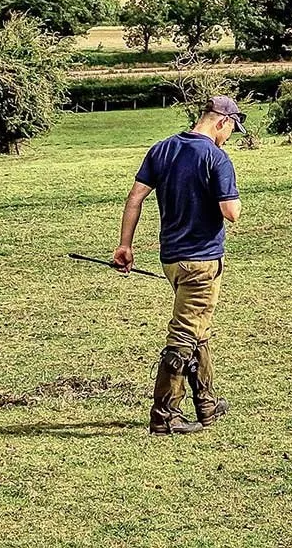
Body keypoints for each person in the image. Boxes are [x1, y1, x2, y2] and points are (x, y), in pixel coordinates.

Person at [112, 94, 243, 435]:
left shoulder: (162, 149)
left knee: (199, 328)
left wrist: (125, 245)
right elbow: (231, 212)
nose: (228, 136)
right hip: (202, 259)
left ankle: (207, 405)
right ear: (221, 122)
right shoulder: (217, 157)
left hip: (171, 258)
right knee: (185, 335)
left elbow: (135, 197)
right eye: (231, 129)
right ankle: (164, 415)